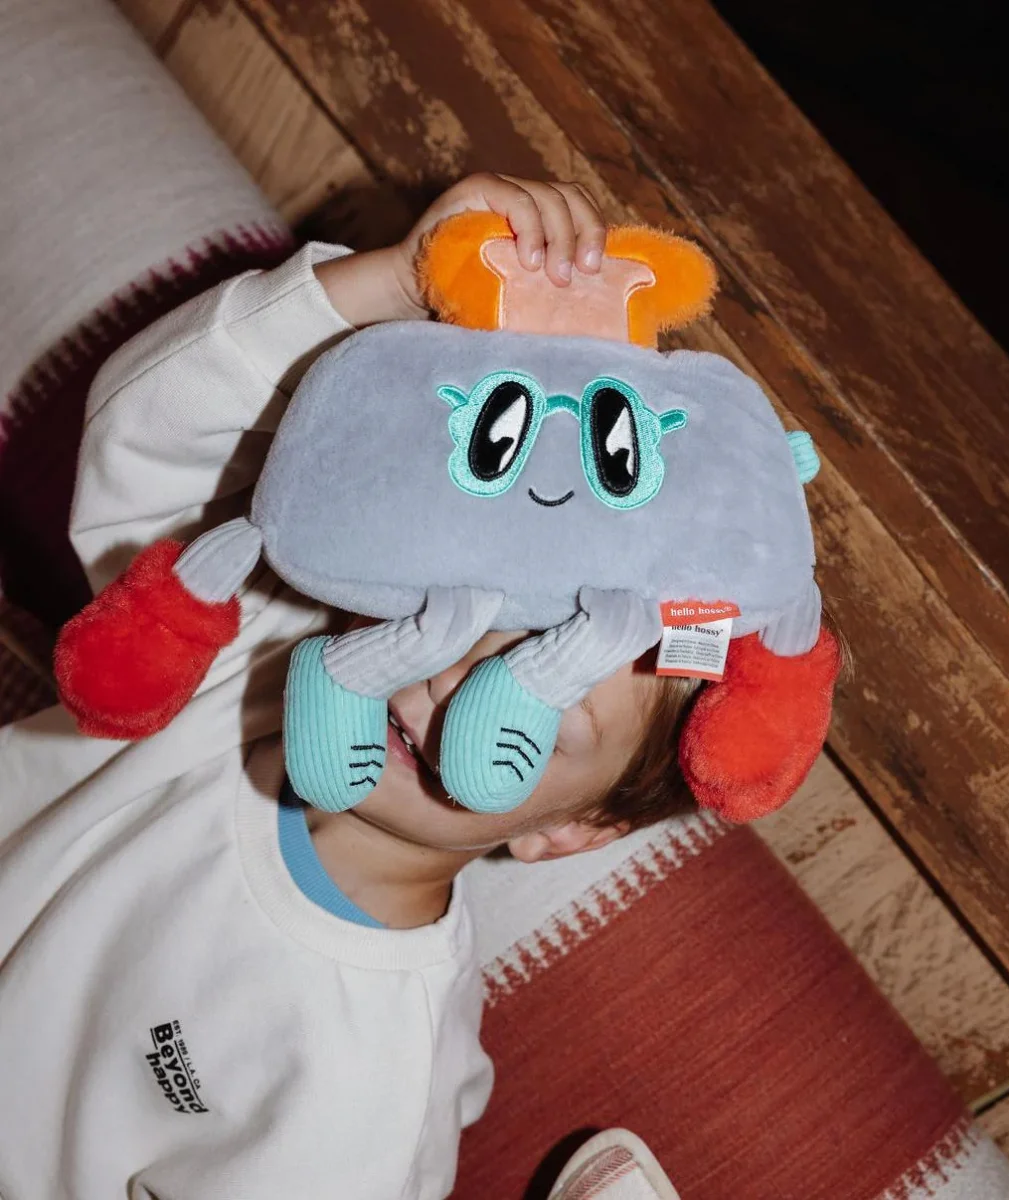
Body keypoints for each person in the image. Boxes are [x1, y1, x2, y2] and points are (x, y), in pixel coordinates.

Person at [0, 174, 702, 1200]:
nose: (447, 680)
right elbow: (149, 428)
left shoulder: (357, 1080)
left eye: (537, 700)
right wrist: (392, 287)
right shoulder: (250, 634)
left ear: (571, 832)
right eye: (457, 610)